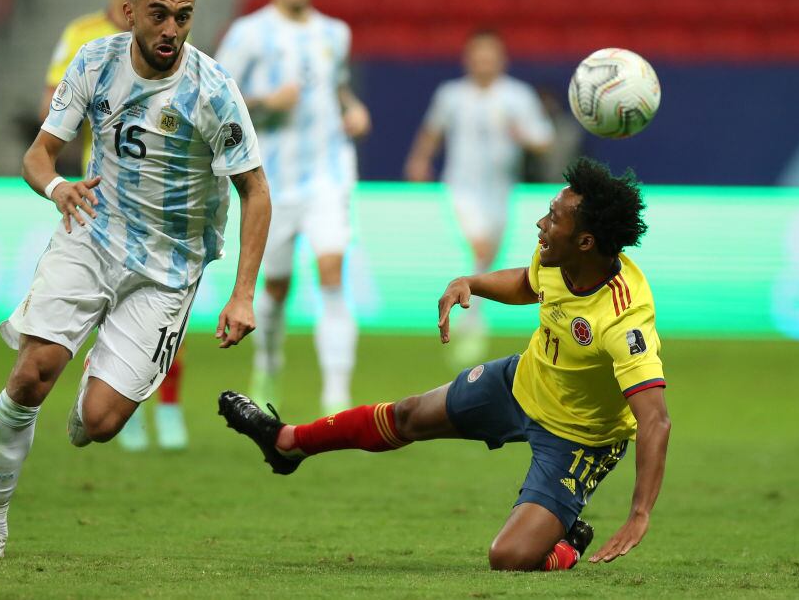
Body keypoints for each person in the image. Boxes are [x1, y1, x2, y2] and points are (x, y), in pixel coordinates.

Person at [0, 0, 271, 561]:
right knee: (29, 376)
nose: (172, 30)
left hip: (169, 266)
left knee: (98, 426)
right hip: (91, 233)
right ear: (129, 11)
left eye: (183, 16)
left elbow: (255, 189)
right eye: (158, 14)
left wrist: (242, 293)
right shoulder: (94, 62)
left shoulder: (212, 91)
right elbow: (38, 157)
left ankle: (97, 380)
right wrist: (58, 188)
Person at [220, 157, 671, 572]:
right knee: (408, 414)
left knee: (509, 558)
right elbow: (528, 283)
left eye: (554, 218)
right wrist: (471, 282)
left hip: (580, 437)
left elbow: (655, 420)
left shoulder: (623, 319)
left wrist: (639, 514)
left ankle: (568, 544)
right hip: (522, 383)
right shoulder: (560, 255)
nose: (541, 223)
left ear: (586, 241)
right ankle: (286, 442)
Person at [40, 0, 189, 451]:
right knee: (99, 315)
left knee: (160, 317)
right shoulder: (83, 40)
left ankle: (166, 408)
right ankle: (103, 393)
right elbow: (52, 107)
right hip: (98, 202)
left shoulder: (168, 41)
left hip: (159, 212)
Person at [215, 0, 371, 414]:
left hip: (329, 173)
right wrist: (263, 102)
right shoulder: (248, 34)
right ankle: (267, 363)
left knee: (331, 274)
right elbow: (215, 99)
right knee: (276, 288)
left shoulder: (335, 32)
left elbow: (337, 86)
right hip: (271, 181)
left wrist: (352, 109)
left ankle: (337, 396)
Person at [405, 30, 553, 364]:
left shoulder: (517, 96)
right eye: (478, 54)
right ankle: (472, 321)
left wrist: (524, 135)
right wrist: (419, 159)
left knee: (488, 254)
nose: (484, 61)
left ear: (501, 59)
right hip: (461, 185)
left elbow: (544, 138)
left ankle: (473, 315)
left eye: (490, 55)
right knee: (481, 249)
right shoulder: (452, 95)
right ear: (468, 58)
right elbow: (433, 130)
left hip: (501, 189)